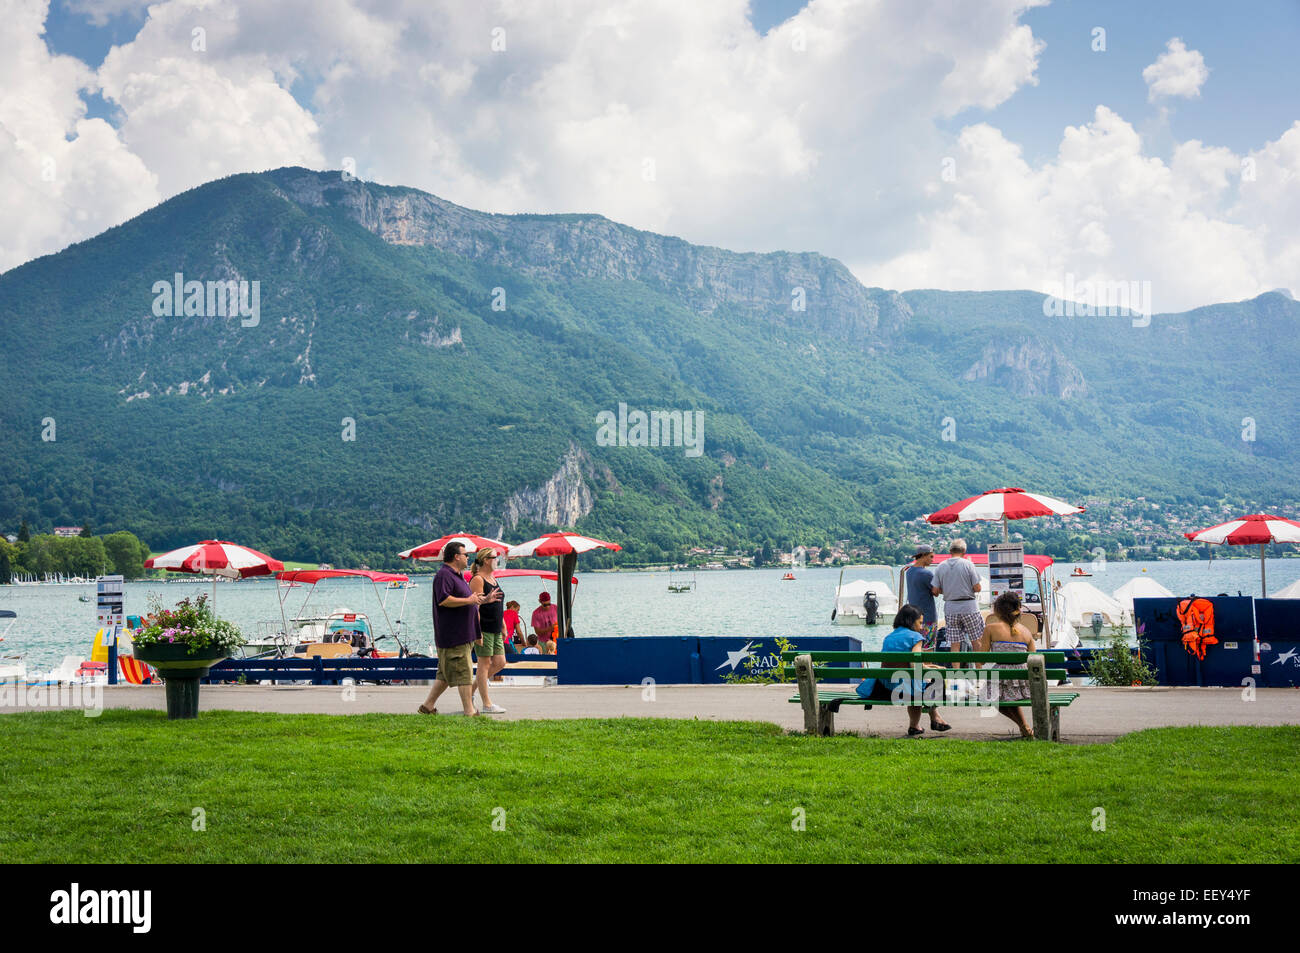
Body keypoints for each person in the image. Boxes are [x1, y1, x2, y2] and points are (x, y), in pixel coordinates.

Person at [418, 542, 496, 716]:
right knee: (464, 673)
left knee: (445, 675)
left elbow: (469, 601)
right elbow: (444, 600)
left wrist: (484, 600)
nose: (468, 557)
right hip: (454, 635)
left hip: (461, 634)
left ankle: (428, 706)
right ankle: (470, 711)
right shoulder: (444, 575)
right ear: (456, 556)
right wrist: (469, 601)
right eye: (465, 554)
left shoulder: (457, 576)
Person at [856, 604, 952, 736]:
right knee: (934, 681)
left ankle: (921, 724)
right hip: (904, 690)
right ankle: (927, 720)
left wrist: (928, 668)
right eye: (920, 623)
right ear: (911, 622)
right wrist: (934, 669)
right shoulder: (916, 637)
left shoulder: (889, 637)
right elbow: (915, 666)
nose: (921, 627)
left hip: (885, 688)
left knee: (916, 684)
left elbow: (901, 664)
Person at [976, 591, 1036, 739]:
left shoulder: (990, 628)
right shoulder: (1026, 632)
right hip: (1022, 683)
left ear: (997, 611)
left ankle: (1023, 726)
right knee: (1007, 695)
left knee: (990, 696)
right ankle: (1024, 727)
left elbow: (981, 660)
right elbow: (1034, 660)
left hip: (1000, 678)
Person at [932, 538, 984, 663]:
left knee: (954, 643)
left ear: (950, 551)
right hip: (969, 607)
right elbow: (977, 588)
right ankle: (978, 671)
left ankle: (955, 674)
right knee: (976, 640)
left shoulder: (940, 566)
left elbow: (934, 591)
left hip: (951, 608)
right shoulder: (968, 564)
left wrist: (950, 591)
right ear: (964, 551)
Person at [469, 550, 508, 714]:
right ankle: (487, 704)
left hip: (496, 628)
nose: (497, 560)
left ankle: (470, 691)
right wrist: (478, 633)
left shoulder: (493, 578)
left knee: (500, 662)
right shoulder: (478, 580)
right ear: (486, 560)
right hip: (484, 628)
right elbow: (474, 607)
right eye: (494, 558)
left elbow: (497, 604)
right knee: (484, 665)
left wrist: (504, 625)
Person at [905, 544, 942, 651]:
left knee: (916, 648)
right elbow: (936, 592)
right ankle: (928, 667)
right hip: (928, 618)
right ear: (923, 556)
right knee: (928, 649)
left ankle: (918, 668)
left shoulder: (909, 572)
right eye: (931, 557)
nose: (932, 560)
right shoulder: (926, 573)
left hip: (913, 618)